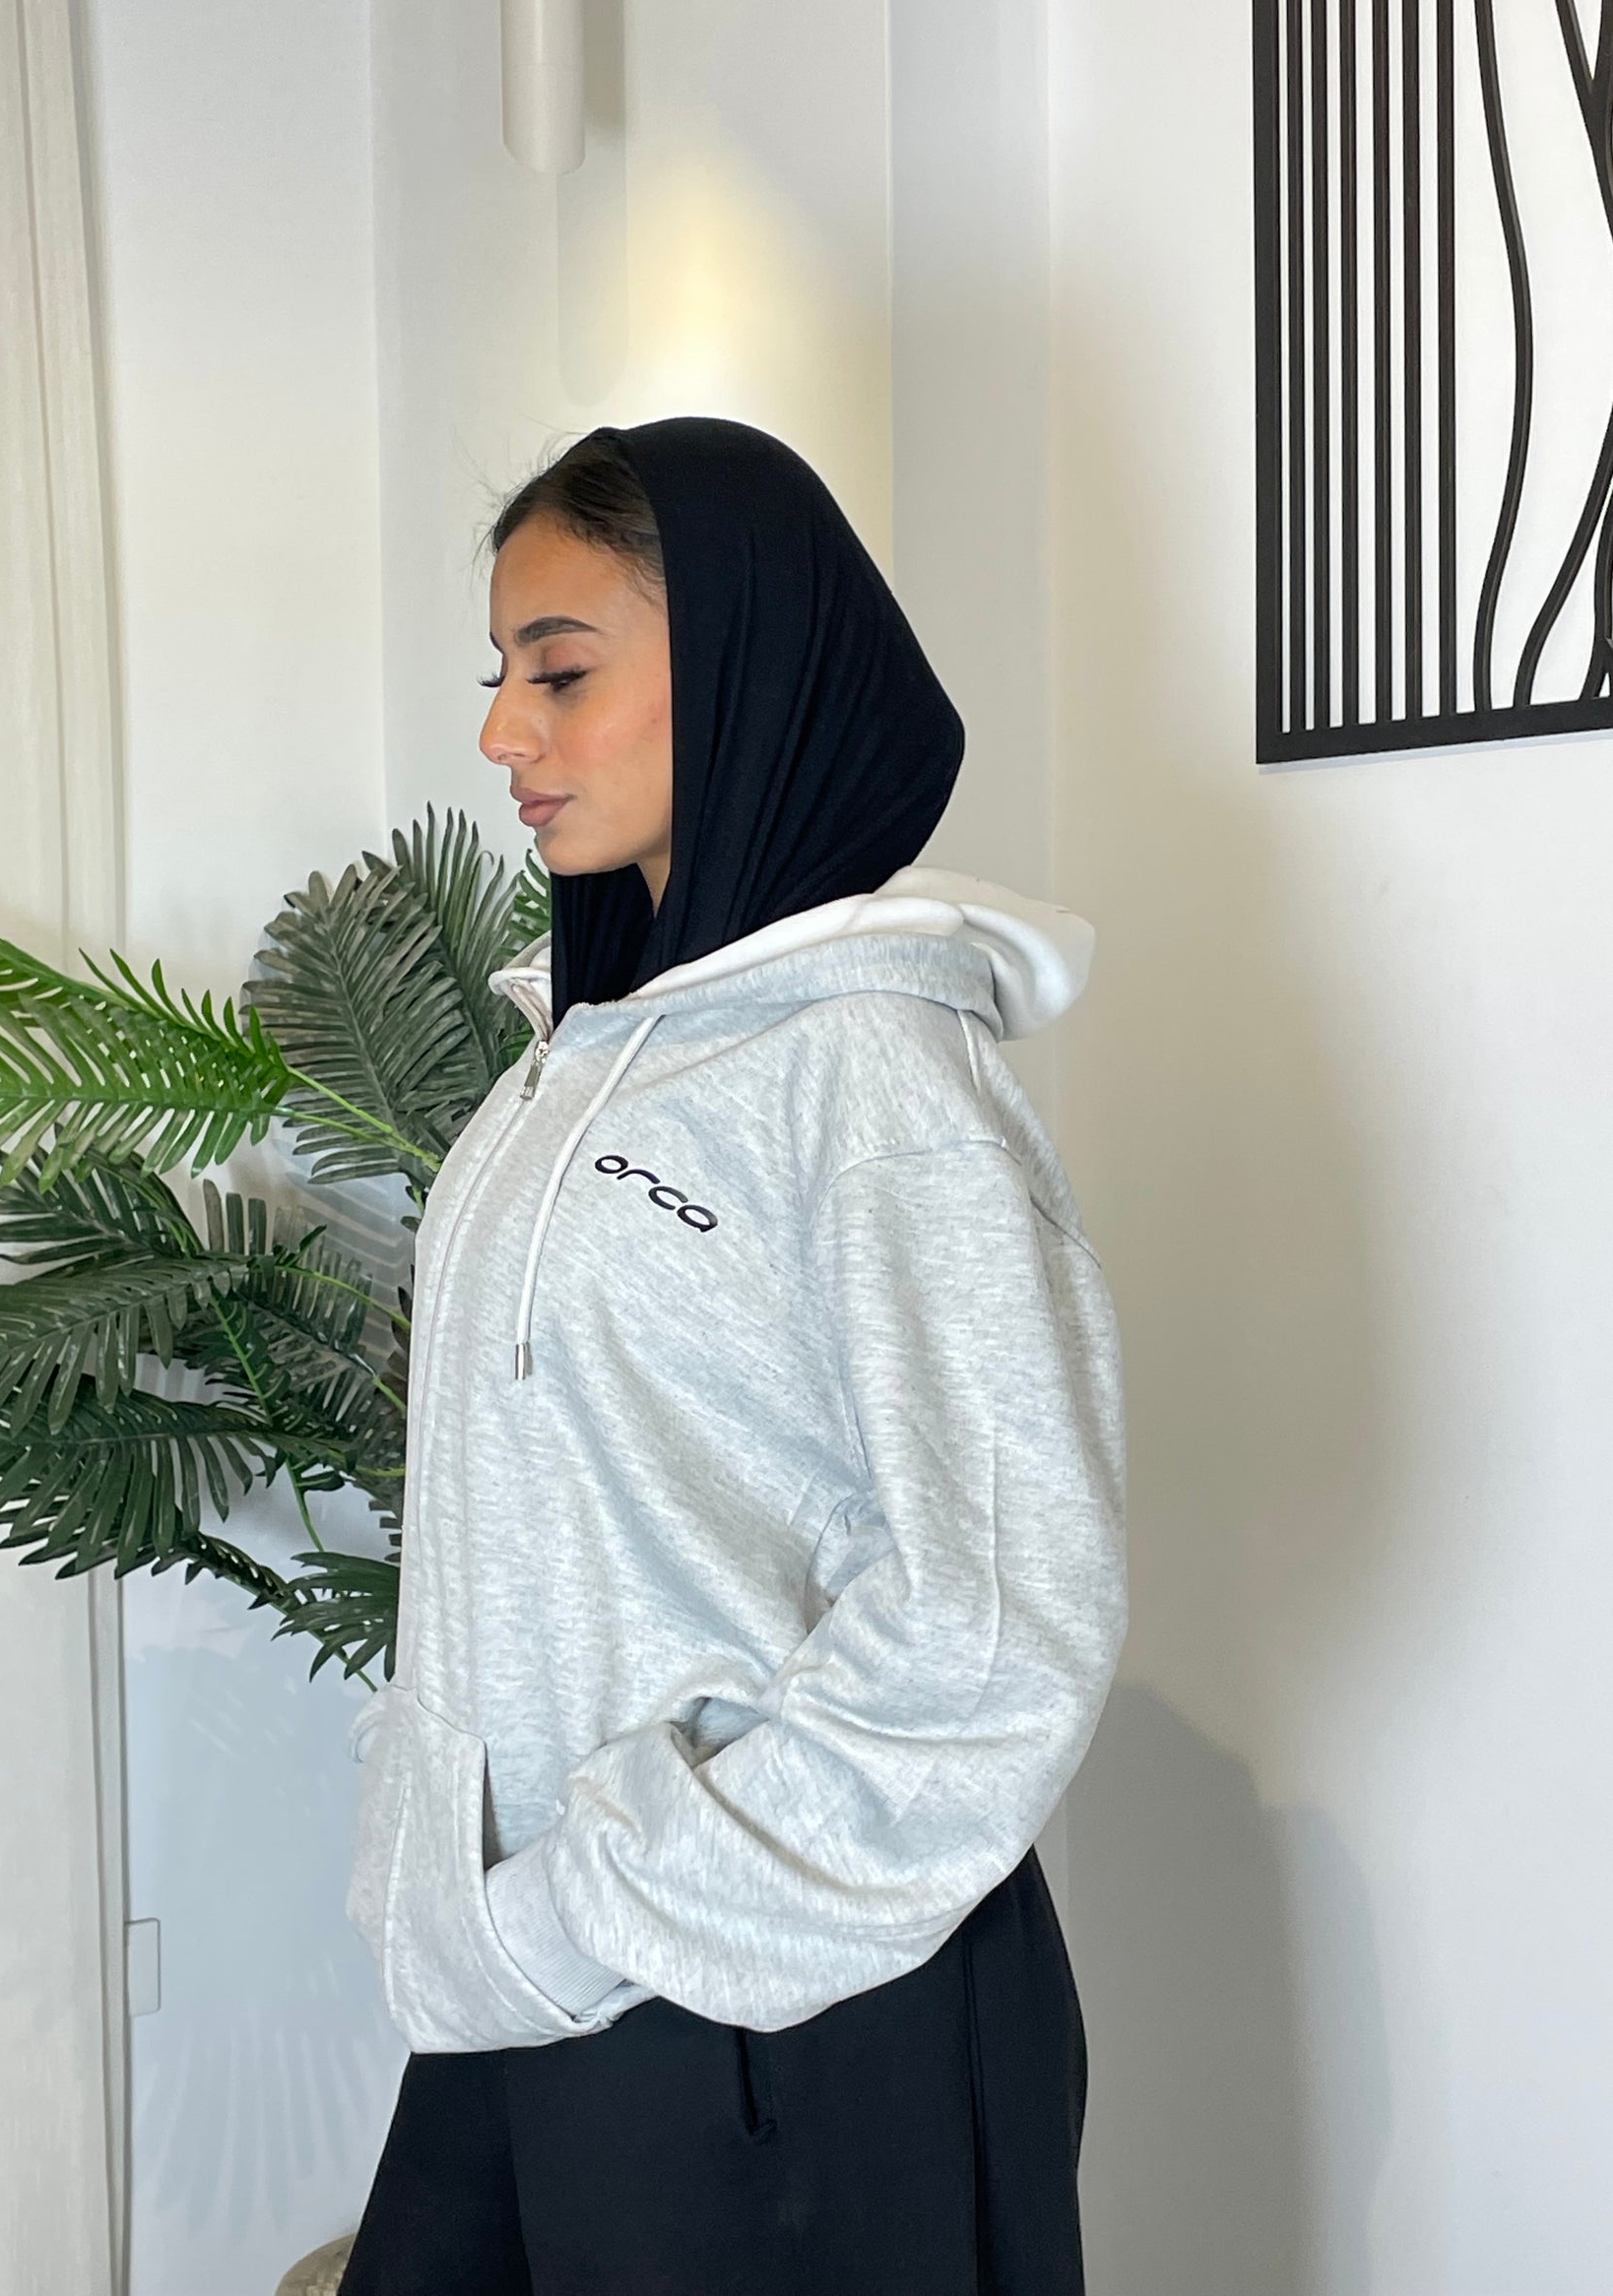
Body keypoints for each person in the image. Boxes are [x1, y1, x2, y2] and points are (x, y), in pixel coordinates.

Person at [339, 416, 1127, 2295]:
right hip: (562, 1978)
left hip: (793, 2013)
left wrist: (595, 1898)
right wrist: (465, 1880)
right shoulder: (579, 1058)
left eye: (562, 671)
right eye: (498, 672)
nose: (501, 732)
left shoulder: (876, 1081)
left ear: (754, 665)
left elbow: (999, 1625)